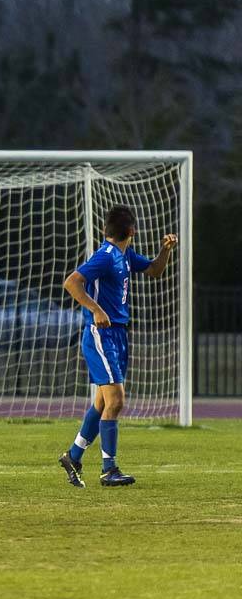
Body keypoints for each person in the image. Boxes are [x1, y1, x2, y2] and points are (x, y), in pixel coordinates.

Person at [58, 205, 178, 487]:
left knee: (102, 403)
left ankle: (73, 456)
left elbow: (154, 270)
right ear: (132, 231)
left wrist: (166, 250)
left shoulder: (124, 255)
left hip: (118, 335)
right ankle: (108, 469)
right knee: (116, 401)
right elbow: (72, 283)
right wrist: (96, 309)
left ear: (106, 230)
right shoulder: (105, 257)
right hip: (102, 335)